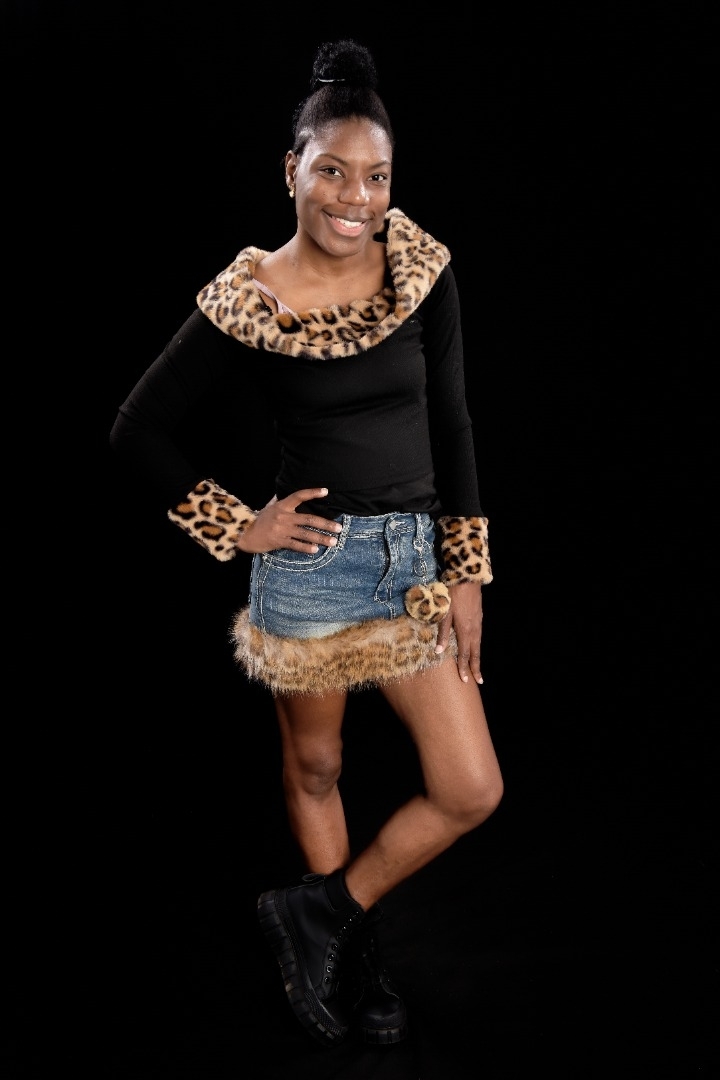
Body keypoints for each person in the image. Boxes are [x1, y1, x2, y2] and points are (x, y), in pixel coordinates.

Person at [109, 38, 503, 1048]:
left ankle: (324, 915)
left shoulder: (421, 271)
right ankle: (350, 959)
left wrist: (467, 572)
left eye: (376, 176)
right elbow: (137, 429)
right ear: (291, 169)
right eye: (331, 170)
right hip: (311, 569)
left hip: (412, 564)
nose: (354, 197)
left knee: (470, 787)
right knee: (317, 767)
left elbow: (453, 424)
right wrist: (241, 524)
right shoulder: (249, 295)